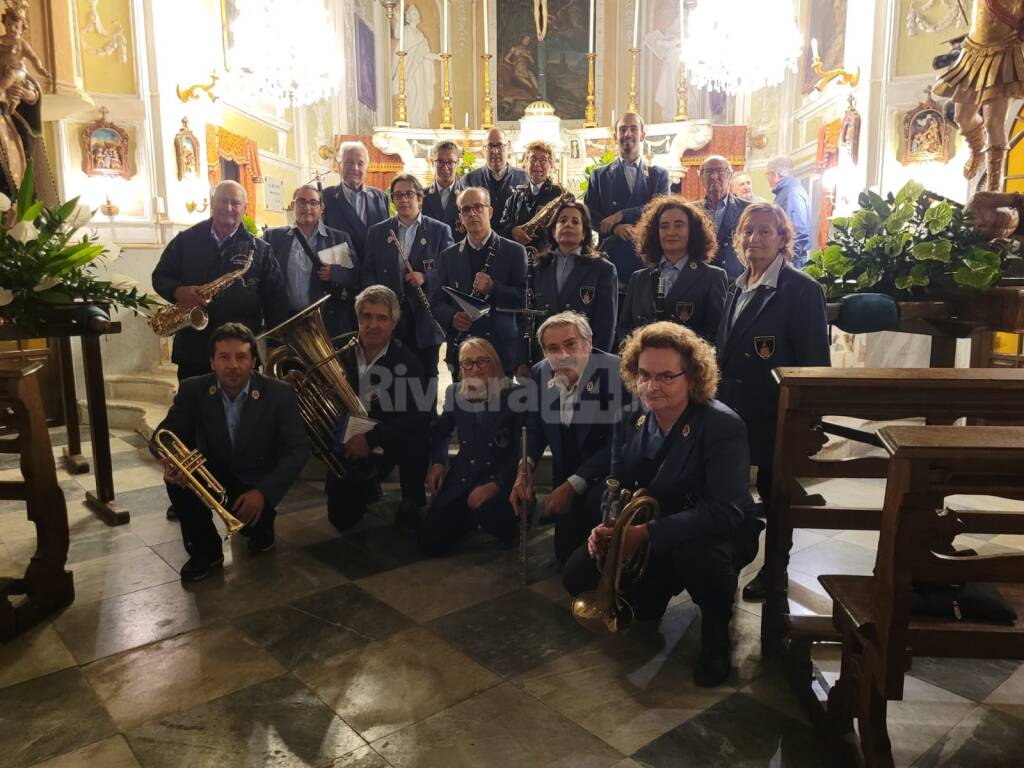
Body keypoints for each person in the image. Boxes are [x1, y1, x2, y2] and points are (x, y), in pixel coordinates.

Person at [562, 322, 761, 688]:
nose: (652, 386)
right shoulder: (630, 418)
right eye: (645, 375)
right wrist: (610, 525)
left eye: (667, 376)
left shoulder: (722, 426)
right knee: (577, 575)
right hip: (652, 527)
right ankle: (652, 591)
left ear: (693, 377)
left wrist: (646, 533)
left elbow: (725, 510)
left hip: (712, 532)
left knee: (701, 561)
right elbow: (614, 483)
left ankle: (716, 635)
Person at [714, 203, 830, 601]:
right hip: (734, 411)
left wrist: (809, 421)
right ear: (737, 239)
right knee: (729, 490)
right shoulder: (737, 283)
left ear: (783, 239)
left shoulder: (801, 289)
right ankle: (728, 558)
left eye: (765, 232)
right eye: (748, 231)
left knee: (775, 493)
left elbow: (816, 364)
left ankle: (774, 569)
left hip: (777, 413)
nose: (755, 239)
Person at [154, 323, 310, 581]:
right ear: (212, 362)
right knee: (178, 481)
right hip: (213, 471)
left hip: (256, 481)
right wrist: (171, 462)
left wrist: (264, 492)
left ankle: (261, 526)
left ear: (253, 361)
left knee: (257, 536)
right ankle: (206, 552)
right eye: (224, 357)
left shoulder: (278, 394)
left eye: (241, 357)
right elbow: (162, 436)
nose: (232, 365)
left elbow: (299, 448)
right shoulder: (194, 389)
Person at [510, 312, 629, 566]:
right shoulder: (541, 372)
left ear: (588, 343)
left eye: (570, 344)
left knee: (595, 561)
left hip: (606, 479)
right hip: (565, 472)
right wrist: (526, 467)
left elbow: (620, 443)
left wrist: (572, 485)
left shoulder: (616, 373)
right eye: (552, 348)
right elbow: (535, 426)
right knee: (566, 557)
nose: (562, 354)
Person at [152, 180, 288, 381]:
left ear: (245, 208)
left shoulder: (261, 250)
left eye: (235, 203)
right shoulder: (186, 240)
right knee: (195, 409)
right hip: (194, 350)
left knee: (243, 409)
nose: (229, 208)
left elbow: (276, 303)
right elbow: (160, 276)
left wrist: (273, 348)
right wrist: (178, 291)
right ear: (212, 203)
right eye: (223, 201)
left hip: (241, 351)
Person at [324, 285, 431, 531]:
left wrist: (371, 439)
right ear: (358, 318)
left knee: (418, 436)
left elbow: (418, 415)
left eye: (381, 318)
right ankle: (367, 485)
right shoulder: (337, 350)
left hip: (390, 441)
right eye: (366, 316)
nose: (373, 324)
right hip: (348, 440)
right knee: (341, 519)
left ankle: (412, 500)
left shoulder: (408, 360)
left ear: (393, 323)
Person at [420, 337, 523, 555]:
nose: (474, 368)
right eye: (467, 363)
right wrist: (438, 462)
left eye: (482, 362)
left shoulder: (516, 395)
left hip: (501, 478)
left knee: (497, 524)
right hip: (464, 475)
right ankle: (468, 517)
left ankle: (505, 519)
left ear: (494, 364)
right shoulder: (454, 392)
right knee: (429, 543)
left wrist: (496, 484)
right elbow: (441, 431)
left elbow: (521, 452)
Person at [362, 172, 454, 387]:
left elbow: (450, 271)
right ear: (393, 200)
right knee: (390, 377)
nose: (404, 199)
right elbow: (367, 271)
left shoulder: (440, 231)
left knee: (426, 376)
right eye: (398, 195)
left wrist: (426, 276)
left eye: (409, 194)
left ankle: (429, 420)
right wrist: (376, 298)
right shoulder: (378, 232)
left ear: (419, 198)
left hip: (424, 319)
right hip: (389, 318)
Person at [434, 187, 528, 375]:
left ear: (490, 211)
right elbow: (436, 303)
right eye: (466, 209)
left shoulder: (515, 251)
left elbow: (524, 300)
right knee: (462, 403)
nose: (472, 213)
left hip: (501, 350)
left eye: (478, 207)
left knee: (502, 403)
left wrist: (493, 288)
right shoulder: (448, 256)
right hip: (463, 350)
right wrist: (453, 317)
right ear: (460, 217)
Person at [933, 0, 1024, 191]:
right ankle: (977, 149)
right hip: (974, 48)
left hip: (1005, 50)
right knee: (961, 117)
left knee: (993, 122)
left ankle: (993, 188)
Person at [618, 196, 727, 345]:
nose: (670, 232)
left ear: (693, 231)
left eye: (679, 225)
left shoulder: (713, 277)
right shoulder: (638, 278)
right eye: (664, 226)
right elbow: (624, 329)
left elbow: (715, 333)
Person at [583, 112, 670, 294]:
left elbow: (659, 208)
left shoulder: (658, 175)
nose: (628, 134)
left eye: (633, 129)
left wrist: (621, 215)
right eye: (623, 129)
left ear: (643, 135)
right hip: (611, 258)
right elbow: (589, 213)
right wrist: (615, 228)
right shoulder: (599, 175)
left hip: (647, 258)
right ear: (616, 136)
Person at [263, 184, 359, 337]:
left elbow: (354, 277)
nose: (307, 207)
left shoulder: (337, 238)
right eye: (301, 202)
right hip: (286, 323)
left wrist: (334, 273)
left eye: (313, 203)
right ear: (293, 206)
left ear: (321, 208)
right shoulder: (274, 237)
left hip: (325, 323)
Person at [531, 199, 618, 358]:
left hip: (583, 359)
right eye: (562, 221)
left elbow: (606, 325)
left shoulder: (602, 269)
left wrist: (595, 363)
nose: (568, 225)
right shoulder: (538, 267)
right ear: (553, 231)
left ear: (584, 232)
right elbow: (527, 317)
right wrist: (523, 361)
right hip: (544, 357)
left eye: (575, 221)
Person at [322, 141, 390, 261]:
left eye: (360, 163)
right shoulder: (326, 197)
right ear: (340, 165)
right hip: (342, 270)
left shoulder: (381, 198)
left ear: (367, 168)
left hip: (374, 272)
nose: (355, 168)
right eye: (349, 162)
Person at [497, 140, 564, 251]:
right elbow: (501, 229)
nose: (537, 164)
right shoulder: (514, 197)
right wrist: (512, 231)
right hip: (519, 258)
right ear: (525, 163)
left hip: (549, 258)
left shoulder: (560, 196)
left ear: (551, 165)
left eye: (543, 159)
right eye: (532, 159)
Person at [461, 128, 529, 230]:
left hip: (514, 242)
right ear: (483, 149)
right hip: (480, 241)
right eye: (490, 146)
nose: (495, 151)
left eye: (499, 145)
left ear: (508, 147)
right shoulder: (469, 180)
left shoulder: (524, 178)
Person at [695, 155, 749, 280]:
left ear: (729, 175)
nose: (714, 176)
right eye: (708, 172)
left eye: (720, 171)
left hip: (734, 283)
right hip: (699, 281)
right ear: (701, 178)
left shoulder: (747, 210)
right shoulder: (690, 211)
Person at [392, 4, 438, 128]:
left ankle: (420, 123)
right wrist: (398, 20)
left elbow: (425, 54)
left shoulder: (421, 35)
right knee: (413, 94)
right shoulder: (405, 30)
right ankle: (412, 123)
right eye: (413, 14)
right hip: (408, 70)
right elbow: (397, 34)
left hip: (419, 70)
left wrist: (438, 57)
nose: (416, 15)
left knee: (420, 96)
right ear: (408, 18)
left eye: (417, 13)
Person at [766, 155, 811, 267]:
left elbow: (798, 230)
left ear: (775, 174)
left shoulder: (791, 193)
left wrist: (787, 257)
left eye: (767, 174)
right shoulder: (788, 191)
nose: (767, 178)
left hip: (791, 259)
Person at [423, 140, 462, 235]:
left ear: (457, 163)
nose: (445, 167)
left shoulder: (466, 196)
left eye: (450, 162)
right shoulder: (421, 195)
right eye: (440, 162)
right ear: (433, 162)